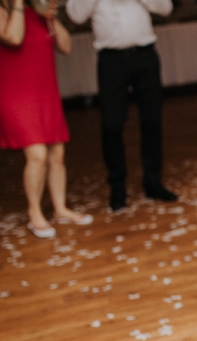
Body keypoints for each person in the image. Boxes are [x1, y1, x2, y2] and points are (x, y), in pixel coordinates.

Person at [66, 0, 177, 212]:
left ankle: (153, 182)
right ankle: (117, 188)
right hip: (111, 61)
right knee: (111, 124)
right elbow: (76, 16)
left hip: (145, 56)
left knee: (152, 120)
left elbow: (165, 8)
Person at [0, 0, 93, 239]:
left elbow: (66, 46)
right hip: (16, 93)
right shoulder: (3, 11)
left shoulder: (40, 12)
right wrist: (17, 3)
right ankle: (35, 213)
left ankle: (60, 209)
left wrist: (51, 18)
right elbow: (14, 38)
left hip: (44, 91)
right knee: (37, 155)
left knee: (57, 154)